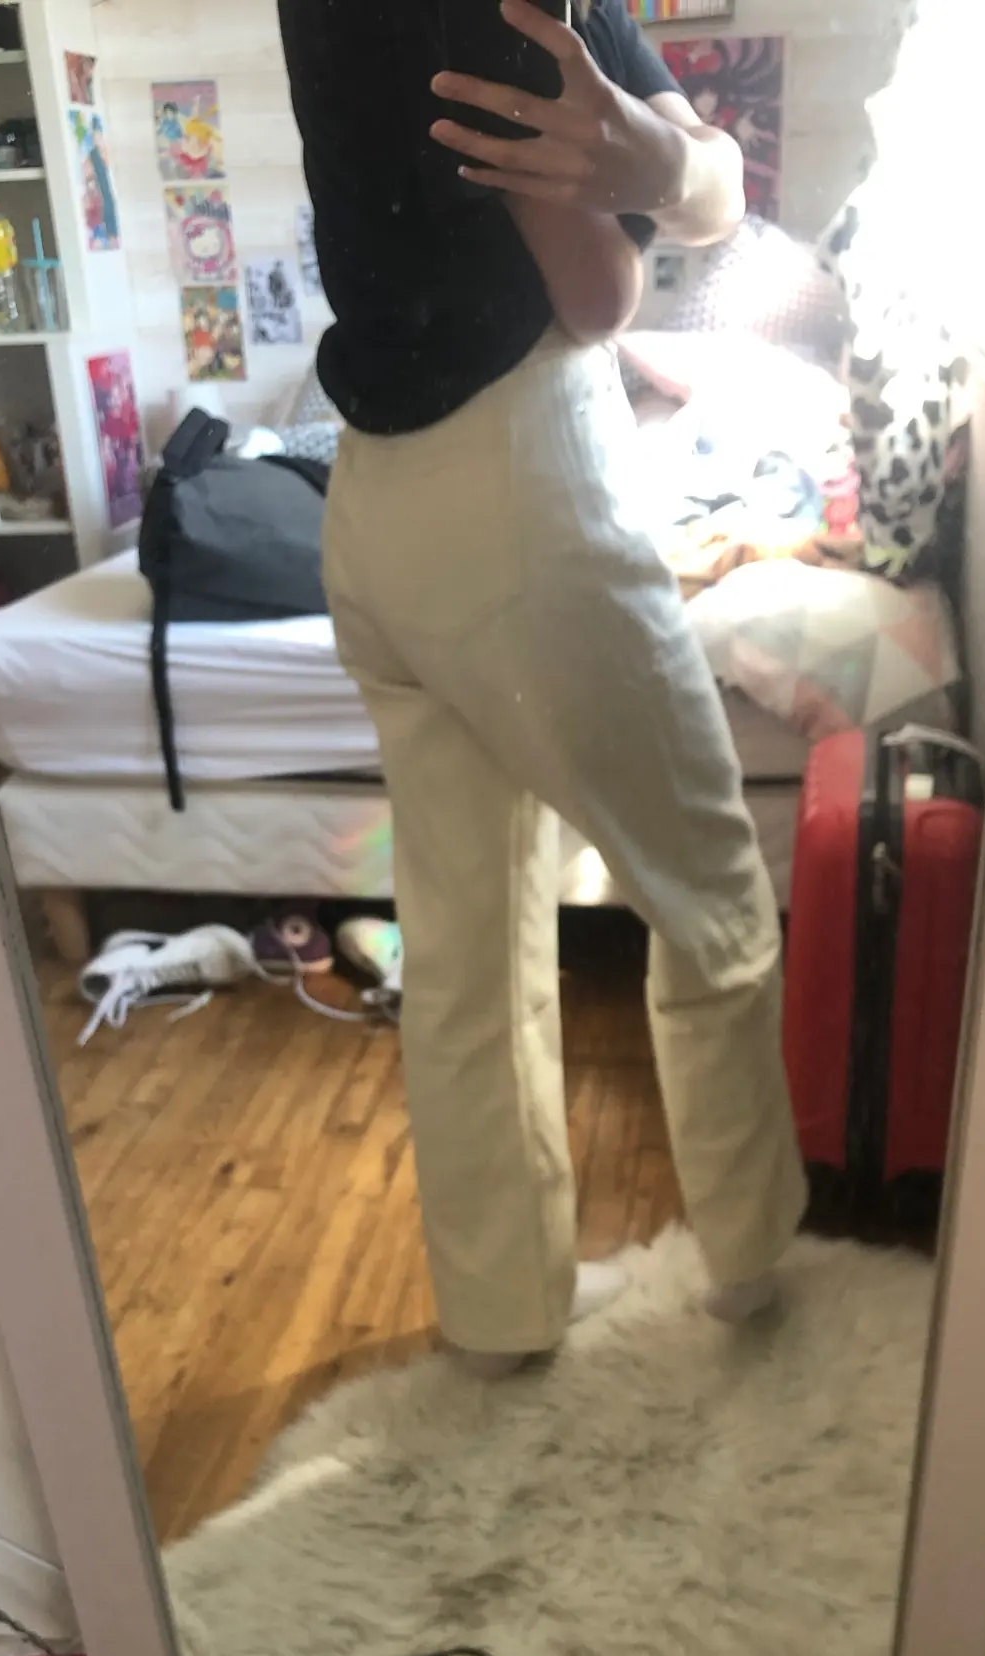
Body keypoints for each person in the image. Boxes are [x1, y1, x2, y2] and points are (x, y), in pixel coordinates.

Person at [278, 0, 807, 1376]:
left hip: (373, 498)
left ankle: (499, 1318)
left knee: (464, 945)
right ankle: (756, 1279)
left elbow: (681, 179)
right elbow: (604, 294)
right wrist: (669, 176)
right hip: (522, 475)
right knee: (712, 897)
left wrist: (669, 168)